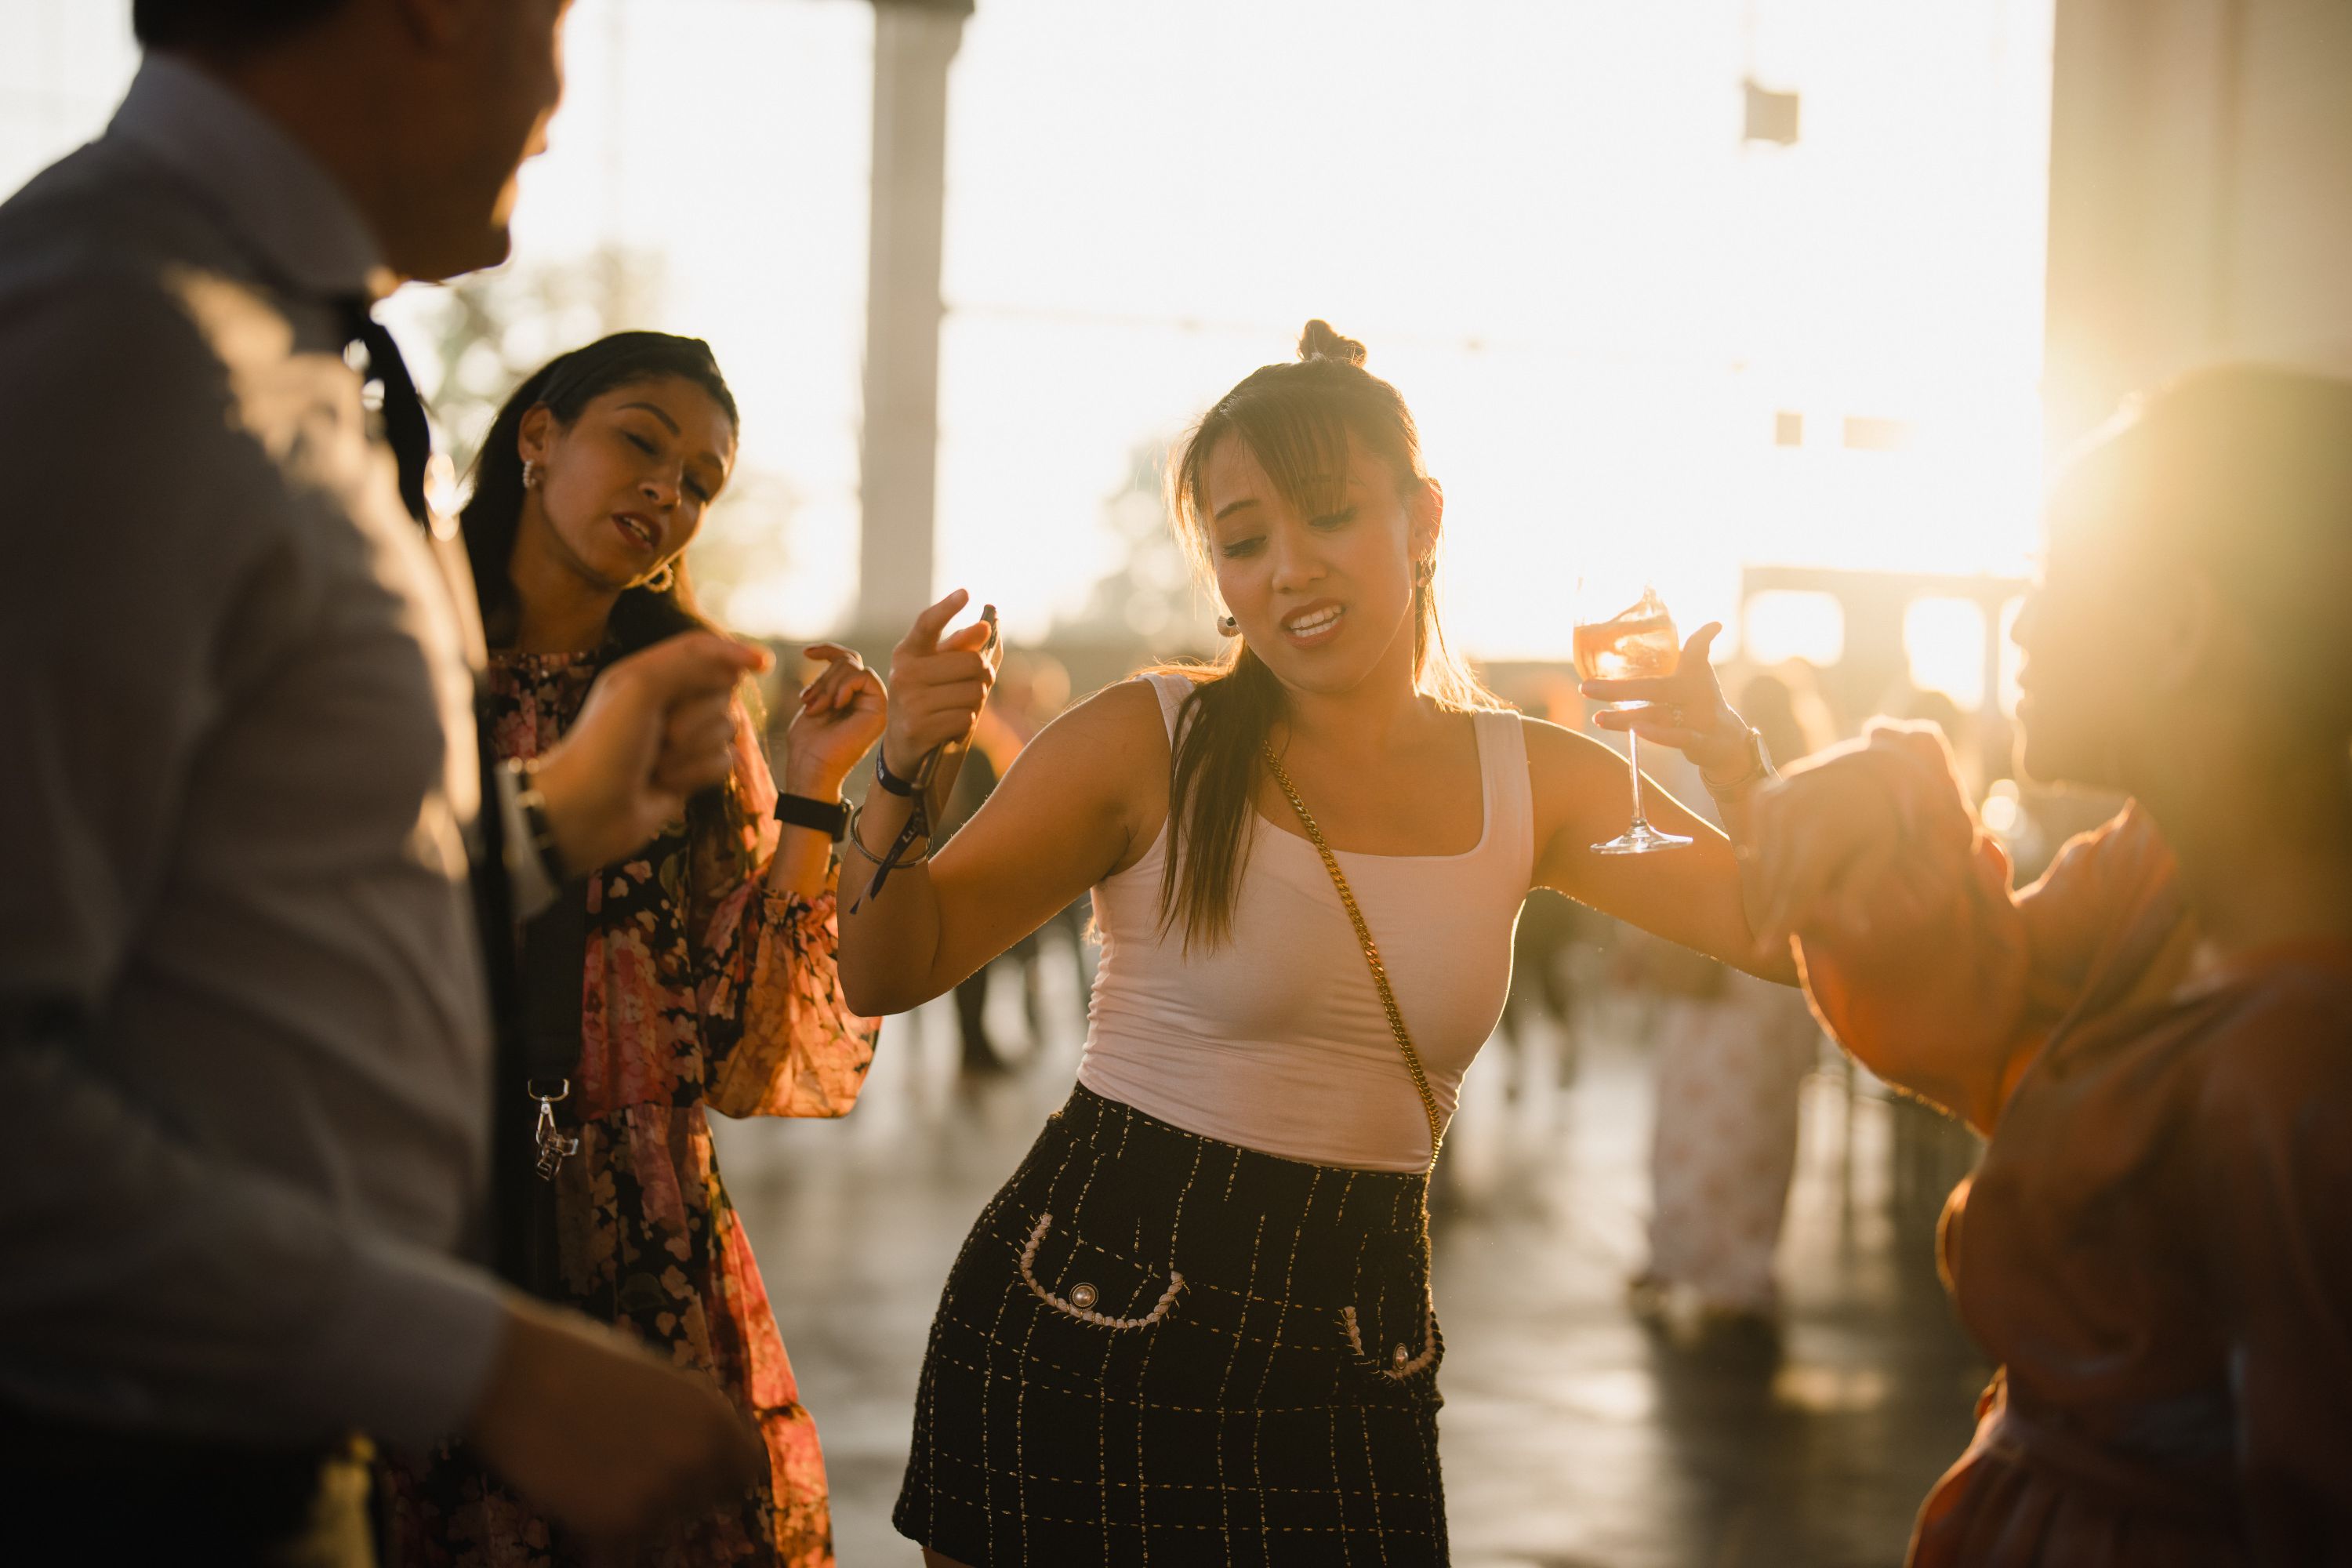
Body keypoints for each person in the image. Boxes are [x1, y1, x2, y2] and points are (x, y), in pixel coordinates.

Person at [0, 2, 773, 1556]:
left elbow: (241, 877)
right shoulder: (112, 347)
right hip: (119, 1477)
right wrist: (479, 1358)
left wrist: (553, 825)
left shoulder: (276, 341)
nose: (559, 100)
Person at [840, 321, 1795, 1566]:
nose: (1289, 569)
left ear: (1424, 520)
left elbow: (1777, 930)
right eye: (1244, 541)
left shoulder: (1537, 781)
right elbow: (889, 967)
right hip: (1088, 1324)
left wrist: (1727, 755)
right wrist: (905, 761)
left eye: (1330, 516)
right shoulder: (1150, 742)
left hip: (1360, 1338)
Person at [1748, 365, 2352, 1566]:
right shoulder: (2160, 871)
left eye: (2050, 580)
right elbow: (1986, 974)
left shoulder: (2298, 1069)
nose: (2018, 625)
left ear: (2178, 629)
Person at [379, 333, 888, 1566]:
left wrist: (815, 788)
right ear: (538, 436)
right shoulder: (394, 653)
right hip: (418, 1214)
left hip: (642, 1227)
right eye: (641, 443)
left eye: (702, 482)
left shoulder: (685, 703)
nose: (670, 491)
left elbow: (746, 1039)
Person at [1630, 671, 1826, 1333]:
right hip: (1771, 976)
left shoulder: (1714, 770)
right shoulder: (1807, 779)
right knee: (1758, 1126)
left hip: (1717, 960)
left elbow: (1670, 860)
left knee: (1692, 1117)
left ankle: (1680, 1254)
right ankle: (1739, 1270)